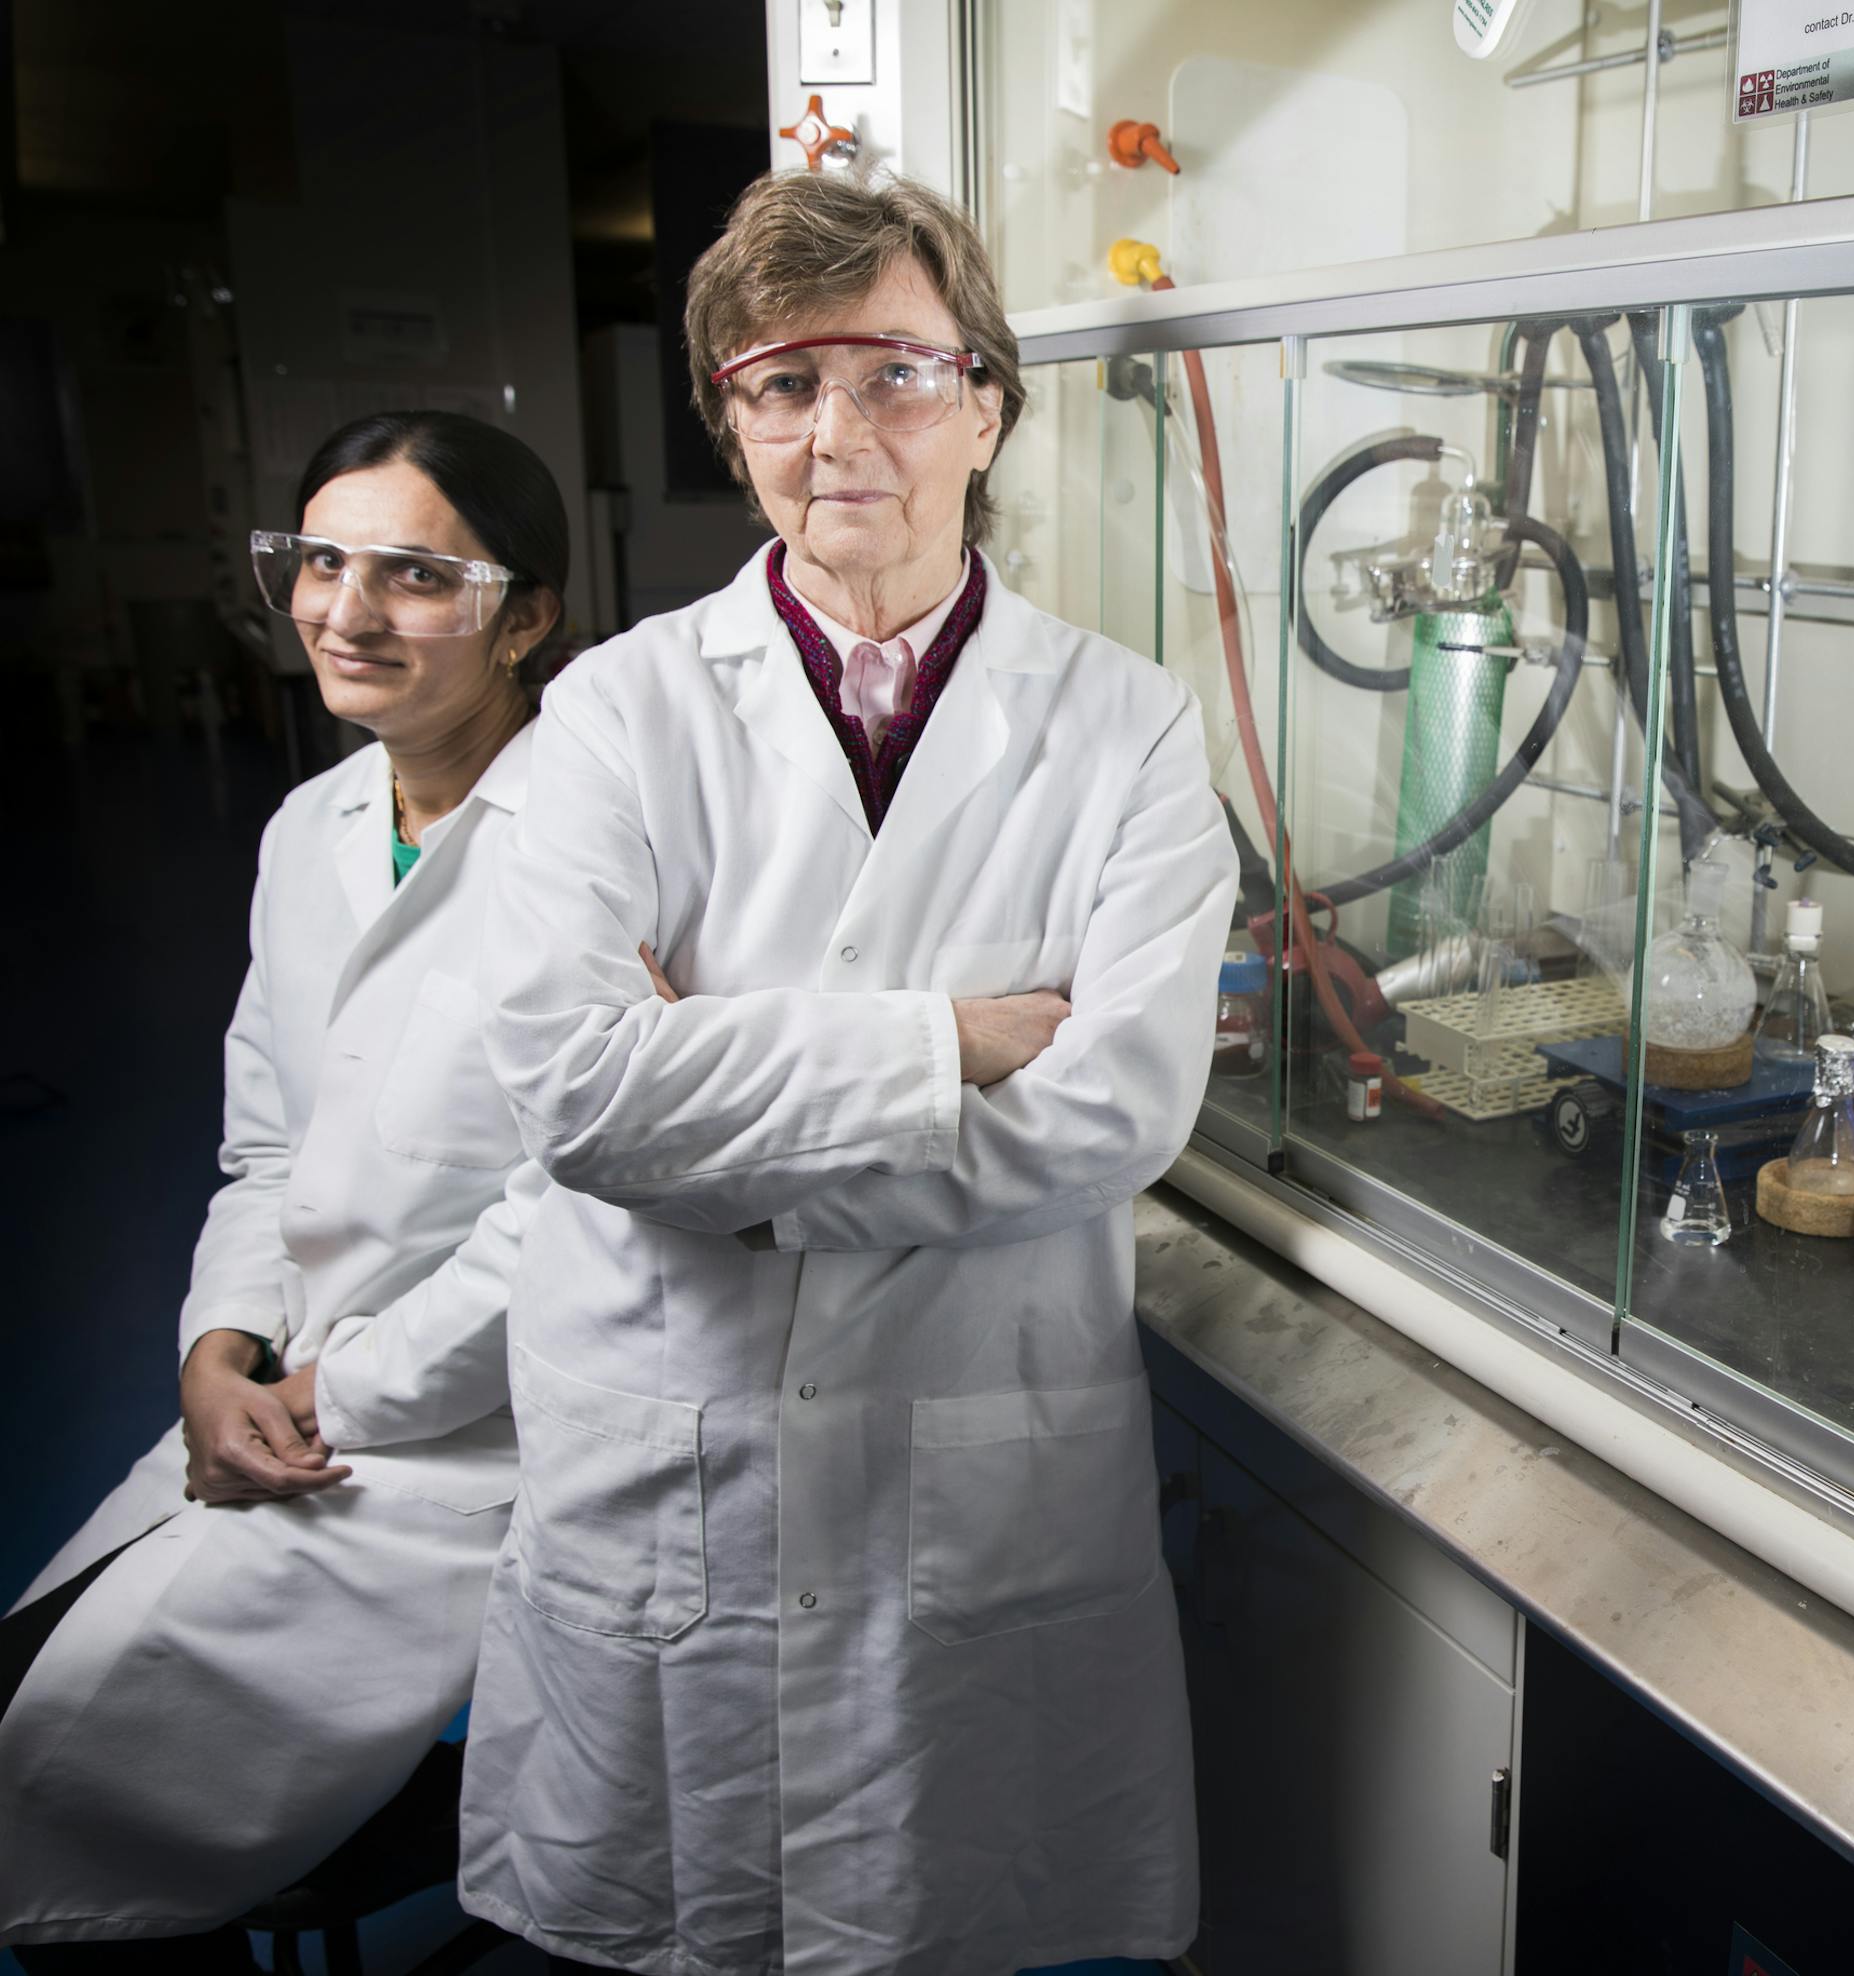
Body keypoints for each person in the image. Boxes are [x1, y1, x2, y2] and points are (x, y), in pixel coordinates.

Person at [458, 170, 1238, 1975]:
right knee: (679, 1926)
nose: (840, 433)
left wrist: (712, 1140)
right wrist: (945, 1046)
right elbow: (577, 1094)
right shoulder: (615, 713)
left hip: (969, 1454)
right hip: (676, 1441)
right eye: (781, 384)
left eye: (893, 373)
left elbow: (1115, 1113)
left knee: (939, 1912)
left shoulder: (1123, 729)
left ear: (987, 404)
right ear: (735, 429)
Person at [0, 411, 567, 1961]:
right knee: (36, 1706)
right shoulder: (306, 830)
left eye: (413, 572)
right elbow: (266, 1146)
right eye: (321, 559)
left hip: (480, 1426)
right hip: (281, 1394)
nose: (345, 608)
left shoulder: (595, 847)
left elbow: (579, 1206)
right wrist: (215, 1351)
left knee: (73, 1779)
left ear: (526, 617)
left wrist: (345, 1391)